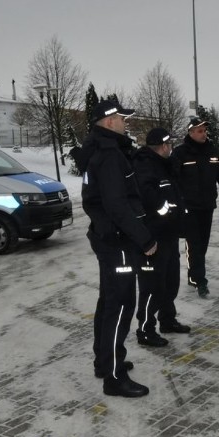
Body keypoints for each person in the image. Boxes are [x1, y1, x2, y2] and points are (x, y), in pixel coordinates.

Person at [76, 99, 156, 398]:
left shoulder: (102, 149)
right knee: (120, 305)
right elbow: (116, 204)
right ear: (109, 121)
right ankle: (113, 375)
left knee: (109, 300)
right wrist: (145, 238)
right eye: (122, 118)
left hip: (109, 237)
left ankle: (104, 359)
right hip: (118, 239)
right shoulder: (109, 155)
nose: (126, 123)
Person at [133, 127, 192, 347]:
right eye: (169, 144)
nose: (171, 148)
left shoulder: (165, 165)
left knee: (170, 283)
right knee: (152, 286)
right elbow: (150, 199)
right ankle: (145, 330)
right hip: (153, 238)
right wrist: (166, 212)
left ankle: (167, 320)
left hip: (169, 235)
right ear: (163, 146)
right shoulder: (144, 166)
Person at [171, 117, 219, 298]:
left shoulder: (213, 152)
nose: (204, 134)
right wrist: (176, 203)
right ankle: (199, 281)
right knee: (194, 244)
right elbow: (172, 180)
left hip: (207, 206)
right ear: (191, 132)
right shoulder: (180, 154)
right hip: (188, 208)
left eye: (204, 130)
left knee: (202, 244)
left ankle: (194, 274)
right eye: (199, 131)